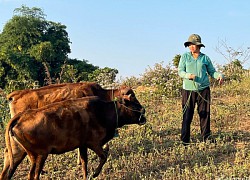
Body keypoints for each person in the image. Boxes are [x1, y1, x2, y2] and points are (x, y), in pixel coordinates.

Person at [178, 34, 224, 145]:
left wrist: (219, 75)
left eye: (193, 44)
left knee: (205, 114)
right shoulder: (185, 57)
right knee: (187, 115)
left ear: (198, 45)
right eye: (189, 45)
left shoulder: (205, 58)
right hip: (188, 90)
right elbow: (180, 71)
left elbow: (212, 71)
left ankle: (206, 138)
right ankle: (185, 141)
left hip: (203, 89)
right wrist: (188, 75)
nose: (191, 47)